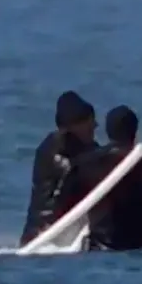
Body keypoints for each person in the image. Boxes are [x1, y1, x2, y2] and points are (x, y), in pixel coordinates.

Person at [63, 104, 142, 252]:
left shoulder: (85, 165)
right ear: (135, 131)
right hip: (141, 246)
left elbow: (68, 203)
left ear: (108, 132)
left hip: (97, 249)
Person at [18, 90, 100, 247]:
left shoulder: (86, 148)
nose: (94, 126)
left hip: (68, 232)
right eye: (89, 123)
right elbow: (75, 170)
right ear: (74, 125)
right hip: (42, 234)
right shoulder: (54, 150)